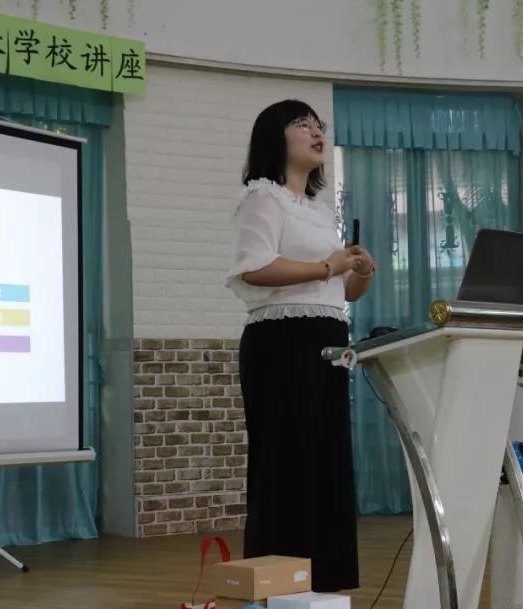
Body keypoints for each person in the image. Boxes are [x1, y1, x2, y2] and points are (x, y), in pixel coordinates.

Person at [226, 100, 375, 593]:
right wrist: (330, 265)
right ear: (275, 136)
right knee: (287, 462)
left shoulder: (317, 211)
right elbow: (254, 267)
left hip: (327, 340)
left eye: (319, 125)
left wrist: (360, 271)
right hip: (282, 343)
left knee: (323, 461)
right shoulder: (262, 197)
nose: (316, 132)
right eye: (302, 124)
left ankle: (321, 578)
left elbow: (343, 292)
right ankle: (279, 582)